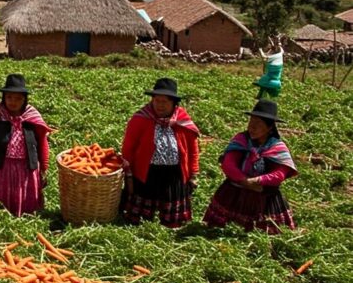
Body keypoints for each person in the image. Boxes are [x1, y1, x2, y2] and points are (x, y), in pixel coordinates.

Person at [204, 99, 297, 233]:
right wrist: (244, 181)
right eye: (251, 123)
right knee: (221, 231)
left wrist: (256, 181)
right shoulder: (241, 140)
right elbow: (228, 163)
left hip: (264, 197)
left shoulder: (277, 147)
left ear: (269, 128)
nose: (252, 128)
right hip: (234, 192)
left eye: (257, 124)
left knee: (262, 232)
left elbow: (279, 175)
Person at [120, 77, 201, 228]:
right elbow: (128, 148)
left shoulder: (182, 121)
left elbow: (192, 149)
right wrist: (128, 173)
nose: (160, 105)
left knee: (172, 219)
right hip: (147, 174)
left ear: (174, 103)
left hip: (174, 174)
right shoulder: (141, 118)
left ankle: (171, 223)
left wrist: (193, 173)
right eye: (157, 100)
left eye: (165, 102)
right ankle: (142, 224)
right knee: (140, 219)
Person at [0, 73, 50, 215]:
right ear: (4, 97)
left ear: (24, 99)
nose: (13, 102)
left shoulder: (32, 116)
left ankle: (23, 217)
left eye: (18, 98)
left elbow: (42, 143)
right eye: (9, 97)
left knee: (26, 208)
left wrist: (44, 168)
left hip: (25, 168)